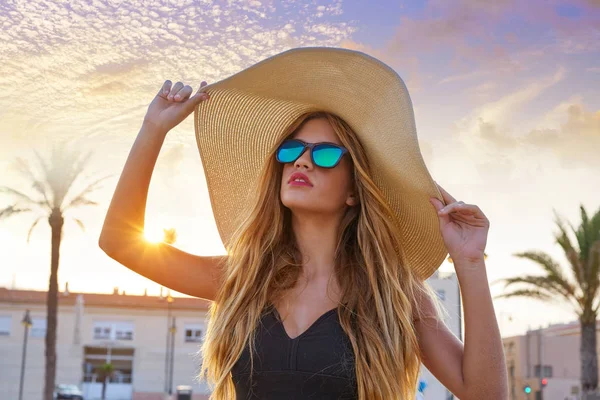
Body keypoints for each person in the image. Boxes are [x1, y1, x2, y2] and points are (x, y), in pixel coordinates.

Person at [99, 47, 508, 400]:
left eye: (326, 154)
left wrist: (471, 262)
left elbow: (484, 394)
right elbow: (119, 240)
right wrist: (153, 130)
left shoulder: (392, 292)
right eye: (292, 149)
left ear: (353, 190)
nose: (302, 160)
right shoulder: (242, 278)